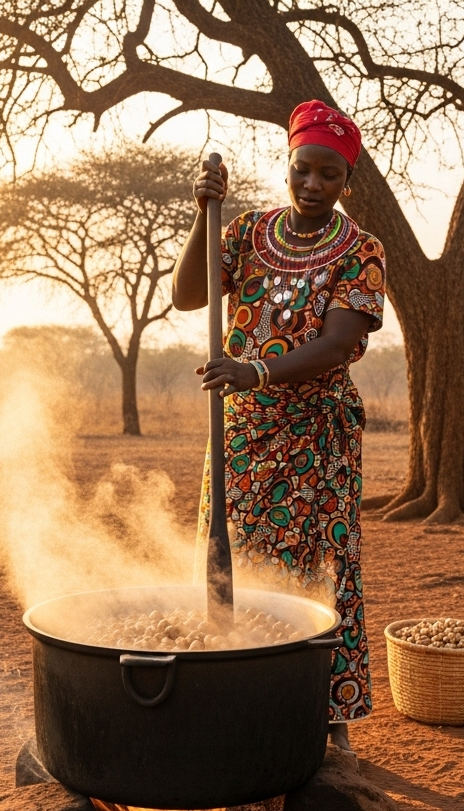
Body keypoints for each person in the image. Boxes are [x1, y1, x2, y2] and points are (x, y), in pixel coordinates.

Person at [172, 100, 385, 752]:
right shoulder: (243, 234)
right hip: (240, 430)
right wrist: (201, 215)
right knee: (230, 558)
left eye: (330, 175)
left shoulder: (360, 251)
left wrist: (255, 372)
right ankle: (236, 700)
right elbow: (185, 296)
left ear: (346, 182)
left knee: (320, 567)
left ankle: (326, 715)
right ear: (288, 167)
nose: (314, 185)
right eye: (304, 170)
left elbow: (340, 345)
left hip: (315, 435)